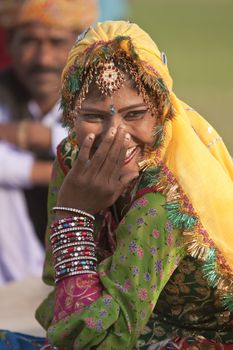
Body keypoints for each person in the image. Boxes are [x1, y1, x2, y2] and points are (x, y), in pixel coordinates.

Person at [1, 20, 233, 349]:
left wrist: (74, 215)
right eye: (94, 116)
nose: (115, 135)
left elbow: (99, 344)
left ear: (162, 111)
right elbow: (58, 290)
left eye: (135, 114)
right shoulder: (73, 160)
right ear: (70, 117)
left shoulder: (165, 202)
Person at [0, 0, 98, 285]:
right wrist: (76, 171)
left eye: (56, 42)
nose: (43, 59)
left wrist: (38, 137)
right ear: (10, 45)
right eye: (30, 41)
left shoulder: (101, 95)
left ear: (79, 46)